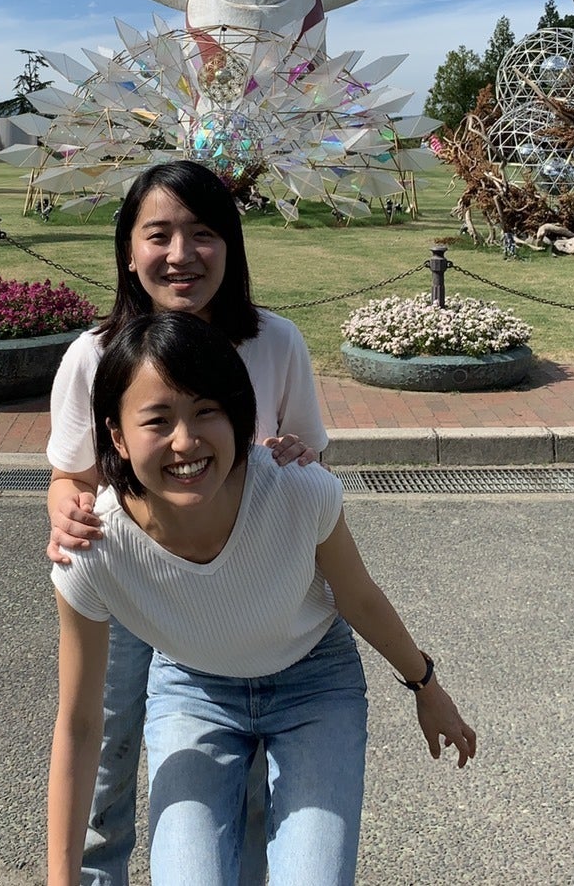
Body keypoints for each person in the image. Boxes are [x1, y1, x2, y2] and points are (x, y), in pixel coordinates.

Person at [48, 312, 477, 886]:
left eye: (207, 411)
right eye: (158, 420)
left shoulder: (297, 490)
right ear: (118, 437)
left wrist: (426, 686)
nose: (185, 441)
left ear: (239, 415)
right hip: (194, 690)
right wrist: (61, 878)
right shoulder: (93, 551)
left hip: (314, 684)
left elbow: (358, 598)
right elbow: (79, 725)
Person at [46, 160, 326, 885]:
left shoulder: (276, 342)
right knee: (107, 749)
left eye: (202, 233)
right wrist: (64, 508)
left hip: (238, 587)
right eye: (158, 234)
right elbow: (71, 472)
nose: (181, 255)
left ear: (231, 245)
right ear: (127, 251)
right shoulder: (93, 356)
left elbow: (308, 464)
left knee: (237, 766)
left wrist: (294, 453)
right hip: (127, 580)